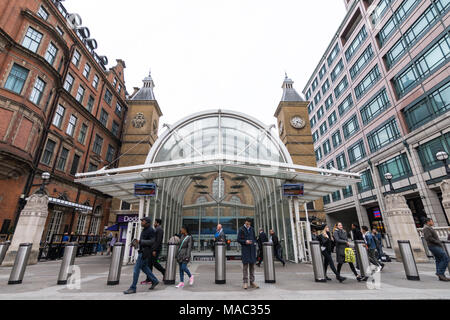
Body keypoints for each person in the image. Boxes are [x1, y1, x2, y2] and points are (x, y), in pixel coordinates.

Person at [123, 217, 159, 294]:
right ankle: (155, 280)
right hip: (142, 251)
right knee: (145, 268)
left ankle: (133, 287)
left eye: (143, 221)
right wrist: (136, 243)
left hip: (144, 253)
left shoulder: (151, 230)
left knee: (136, 270)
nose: (142, 222)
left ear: (147, 222)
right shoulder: (145, 229)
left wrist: (140, 241)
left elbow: (153, 241)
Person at [237, 218, 259, 289]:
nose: (248, 225)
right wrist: (245, 241)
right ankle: (245, 282)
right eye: (247, 224)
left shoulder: (252, 229)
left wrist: (254, 242)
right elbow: (238, 239)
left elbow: (254, 238)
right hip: (245, 250)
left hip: (252, 250)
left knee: (252, 267)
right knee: (245, 267)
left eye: (249, 224)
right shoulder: (241, 229)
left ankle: (252, 282)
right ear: (245, 222)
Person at [143, 219, 166, 284]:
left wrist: (154, 250)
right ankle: (149, 279)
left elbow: (158, 241)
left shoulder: (159, 229)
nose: (154, 224)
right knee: (150, 263)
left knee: (154, 263)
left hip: (155, 249)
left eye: (155, 222)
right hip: (153, 249)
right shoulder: (157, 229)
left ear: (158, 223)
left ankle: (164, 272)